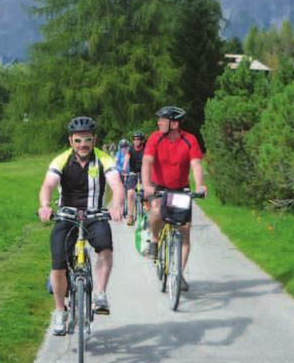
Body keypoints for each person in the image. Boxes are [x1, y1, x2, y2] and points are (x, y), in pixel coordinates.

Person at [38, 116, 125, 336]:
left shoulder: (104, 159)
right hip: (66, 215)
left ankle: (100, 294)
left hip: (95, 214)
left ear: (94, 139)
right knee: (58, 264)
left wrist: (116, 205)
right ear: (71, 141)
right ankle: (60, 311)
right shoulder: (62, 160)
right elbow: (48, 185)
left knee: (105, 248)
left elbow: (117, 185)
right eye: (78, 140)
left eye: (87, 139)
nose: (82, 144)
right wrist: (45, 205)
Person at [141, 106, 207, 292]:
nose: (159, 122)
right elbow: (147, 162)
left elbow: (196, 164)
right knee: (156, 211)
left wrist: (200, 185)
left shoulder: (189, 140)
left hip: (180, 189)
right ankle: (154, 240)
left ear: (175, 123)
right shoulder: (155, 138)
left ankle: (178, 274)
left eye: (163, 120)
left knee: (184, 231)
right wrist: (146, 186)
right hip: (158, 186)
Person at [122, 132, 146, 225]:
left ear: (141, 140)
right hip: (133, 172)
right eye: (135, 139)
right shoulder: (130, 149)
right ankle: (131, 216)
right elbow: (127, 159)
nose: (136, 141)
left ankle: (146, 206)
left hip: (144, 172)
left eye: (138, 139)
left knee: (146, 190)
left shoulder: (145, 149)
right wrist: (124, 168)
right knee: (130, 192)